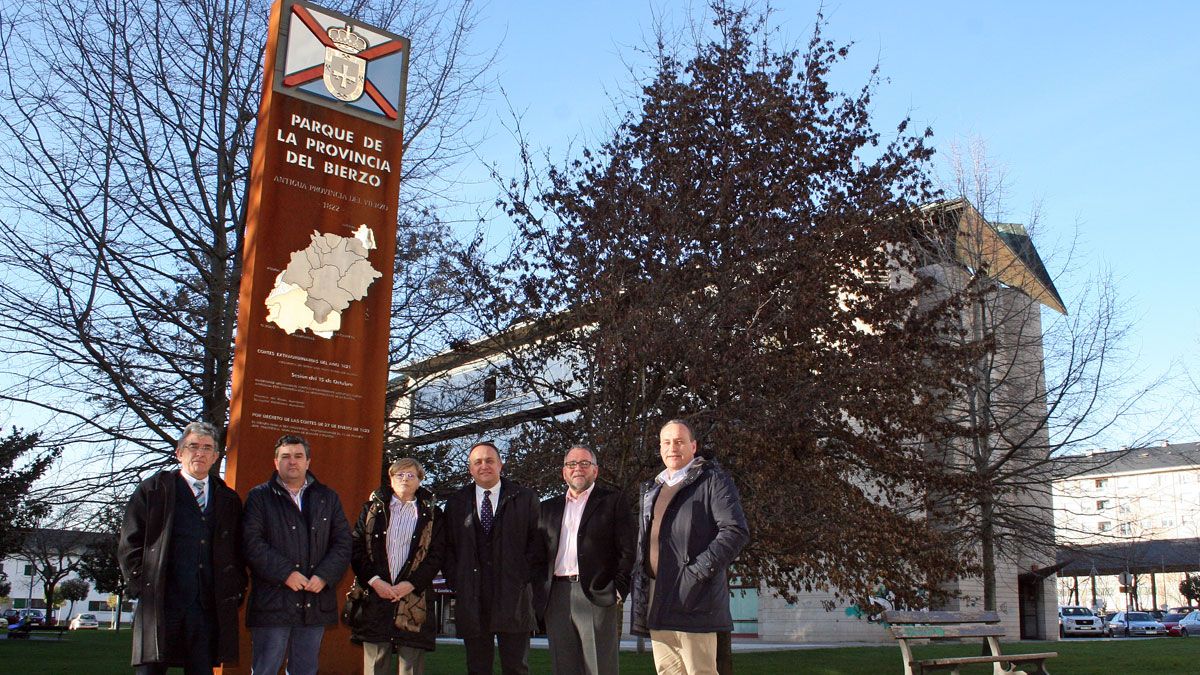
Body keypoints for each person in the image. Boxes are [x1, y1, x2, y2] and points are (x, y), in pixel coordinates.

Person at [118, 421, 247, 674]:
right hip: (161, 604)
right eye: (193, 446)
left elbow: (238, 549)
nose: (200, 453)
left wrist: (236, 585)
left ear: (215, 456)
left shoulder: (228, 499)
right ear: (179, 453)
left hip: (206, 607)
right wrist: (141, 583)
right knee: (150, 671)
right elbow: (129, 542)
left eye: (207, 448)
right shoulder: (154, 490)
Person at [631, 419, 750, 675]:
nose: (672, 447)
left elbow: (735, 531)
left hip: (694, 598)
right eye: (666, 442)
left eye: (679, 441)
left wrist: (696, 573)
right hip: (658, 597)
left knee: (700, 672)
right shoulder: (653, 488)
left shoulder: (713, 480)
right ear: (660, 447)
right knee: (668, 672)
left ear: (693, 446)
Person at [242, 434, 351, 675]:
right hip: (273, 602)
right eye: (286, 456)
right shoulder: (259, 497)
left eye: (298, 456)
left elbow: (343, 543)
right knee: (265, 669)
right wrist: (286, 573)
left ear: (308, 462)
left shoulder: (328, 497)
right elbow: (252, 544)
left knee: (305, 670)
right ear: (275, 462)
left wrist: (323, 576)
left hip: (314, 602)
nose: (293, 462)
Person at [443, 441, 544, 675]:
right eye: (477, 462)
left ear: (501, 465)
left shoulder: (525, 498)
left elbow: (537, 545)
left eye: (490, 460)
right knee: (477, 668)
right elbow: (447, 548)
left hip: (514, 597)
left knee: (516, 667)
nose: (484, 465)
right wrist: (457, 581)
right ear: (470, 469)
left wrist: (522, 578)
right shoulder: (456, 503)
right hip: (473, 598)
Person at [535, 445, 635, 675]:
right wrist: (538, 589)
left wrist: (618, 588)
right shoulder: (546, 508)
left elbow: (628, 549)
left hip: (596, 593)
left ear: (595, 471)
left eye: (584, 464)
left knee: (600, 667)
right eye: (571, 464)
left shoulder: (613, 502)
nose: (577, 468)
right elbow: (536, 556)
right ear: (564, 472)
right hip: (556, 597)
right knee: (564, 668)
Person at [349, 458, 446, 674]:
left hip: (413, 602)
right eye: (400, 474)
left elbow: (437, 555)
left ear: (420, 481)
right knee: (375, 666)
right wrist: (375, 582)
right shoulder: (371, 510)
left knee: (410, 668)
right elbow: (356, 548)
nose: (405, 479)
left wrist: (411, 584)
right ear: (391, 479)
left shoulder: (433, 515)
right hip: (375, 599)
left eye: (411, 475)